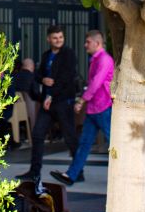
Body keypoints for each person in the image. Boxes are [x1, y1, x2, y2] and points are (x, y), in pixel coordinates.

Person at [50, 30, 114, 186]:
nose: (85, 45)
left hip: (103, 107)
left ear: (97, 43)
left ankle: (125, 175)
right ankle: (71, 175)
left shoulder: (104, 60)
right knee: (84, 144)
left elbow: (96, 83)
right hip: (93, 108)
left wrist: (82, 100)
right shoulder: (96, 59)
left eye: (88, 42)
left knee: (114, 143)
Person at [16, 24, 79, 181]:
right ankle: (34, 171)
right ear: (48, 39)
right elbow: (37, 75)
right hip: (47, 103)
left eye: (61, 37)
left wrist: (51, 96)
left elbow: (66, 78)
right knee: (37, 134)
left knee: (70, 136)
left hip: (63, 101)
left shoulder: (68, 54)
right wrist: (43, 79)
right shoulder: (46, 55)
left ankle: (78, 170)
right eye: (55, 38)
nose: (58, 40)